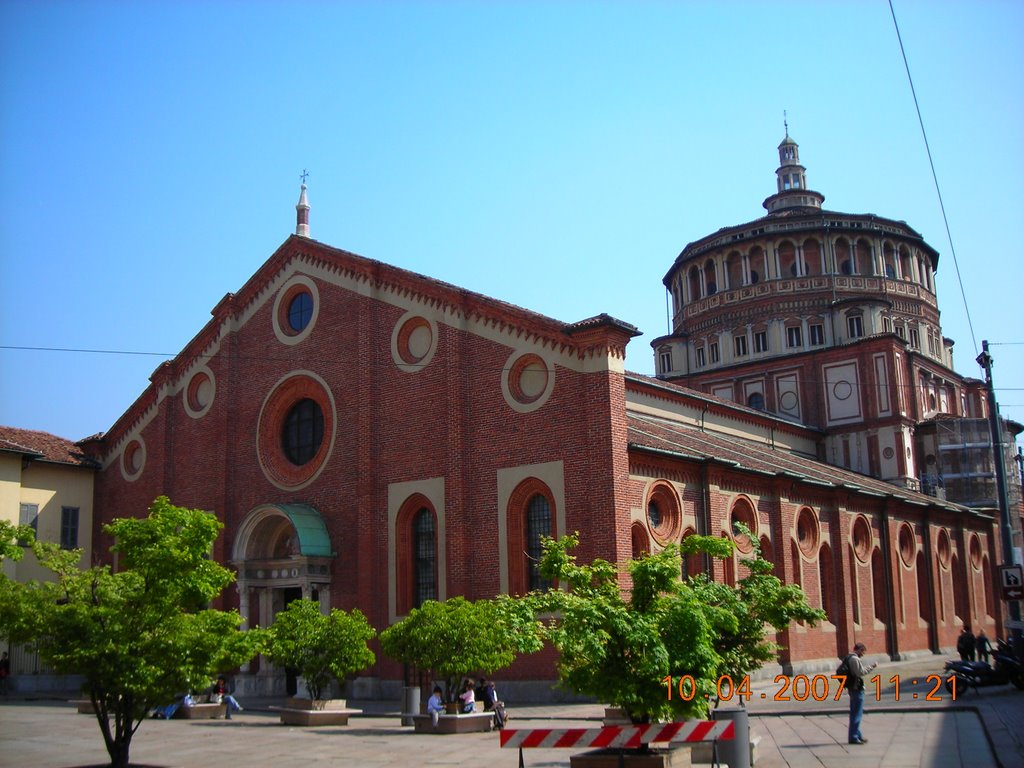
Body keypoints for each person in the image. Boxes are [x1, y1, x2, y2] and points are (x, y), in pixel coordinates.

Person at [843, 642, 876, 746]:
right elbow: (860, 672)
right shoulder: (854, 659)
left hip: (853, 688)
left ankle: (857, 735)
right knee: (856, 714)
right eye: (863, 652)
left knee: (855, 713)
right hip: (856, 689)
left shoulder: (849, 658)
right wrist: (872, 667)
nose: (863, 654)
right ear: (859, 649)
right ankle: (853, 737)